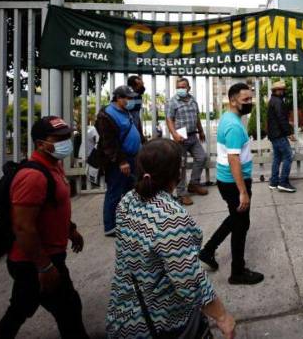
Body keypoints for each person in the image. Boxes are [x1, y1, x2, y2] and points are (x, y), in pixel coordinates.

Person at [106, 139, 235, 339]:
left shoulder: (127, 201)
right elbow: (189, 280)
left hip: (122, 313)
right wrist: (222, 316)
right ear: (176, 175)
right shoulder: (171, 218)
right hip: (161, 322)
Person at [0, 117, 88, 339]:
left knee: (20, 309)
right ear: (40, 143)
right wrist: (44, 267)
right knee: (69, 311)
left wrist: (70, 230)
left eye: (68, 136)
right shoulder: (33, 177)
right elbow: (23, 227)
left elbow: (53, 207)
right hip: (34, 261)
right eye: (59, 138)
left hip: (42, 258)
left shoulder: (54, 166)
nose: (66, 141)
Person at [199, 83, 264, 285]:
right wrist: (243, 191)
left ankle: (208, 251)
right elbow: (233, 158)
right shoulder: (234, 126)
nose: (250, 102)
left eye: (250, 98)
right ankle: (237, 272)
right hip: (234, 183)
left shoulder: (228, 118)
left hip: (227, 180)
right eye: (246, 99)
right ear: (233, 100)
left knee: (236, 219)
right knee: (241, 225)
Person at [95, 85, 142, 236]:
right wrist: (122, 161)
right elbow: (109, 143)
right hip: (118, 161)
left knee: (130, 191)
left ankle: (128, 221)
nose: (131, 101)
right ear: (118, 98)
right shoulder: (107, 115)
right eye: (128, 98)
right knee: (114, 192)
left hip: (132, 157)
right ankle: (110, 227)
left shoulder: (126, 111)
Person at [166, 77, 209, 206]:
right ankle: (182, 193)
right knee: (181, 165)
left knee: (202, 157)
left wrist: (201, 131)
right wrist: (174, 134)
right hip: (180, 138)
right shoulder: (172, 102)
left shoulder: (193, 100)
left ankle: (194, 184)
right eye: (178, 87)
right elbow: (169, 119)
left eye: (183, 87)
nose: (180, 89)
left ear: (188, 88)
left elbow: (197, 117)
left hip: (192, 136)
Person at [267, 80, 296, 193]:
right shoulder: (278, 102)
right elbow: (281, 118)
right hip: (279, 135)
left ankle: (274, 182)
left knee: (277, 158)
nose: (283, 91)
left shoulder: (273, 100)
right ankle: (283, 182)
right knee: (288, 156)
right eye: (280, 89)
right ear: (275, 91)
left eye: (283, 89)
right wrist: (289, 133)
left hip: (274, 134)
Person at [126, 74, 146, 141]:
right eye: (140, 83)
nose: (143, 83)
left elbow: (136, 115)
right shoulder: (130, 96)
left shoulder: (137, 96)